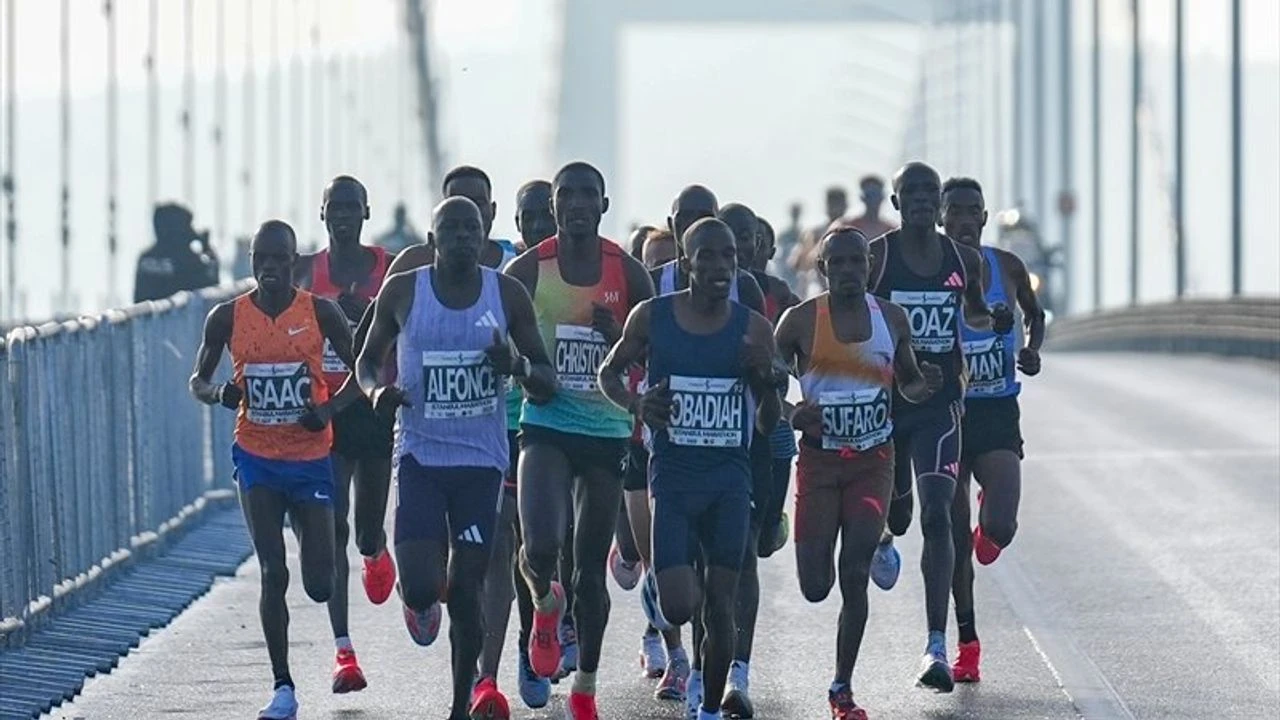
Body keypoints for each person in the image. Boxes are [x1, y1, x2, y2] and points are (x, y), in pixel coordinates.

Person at [355, 196, 555, 720]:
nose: (464, 236)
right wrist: (377, 393)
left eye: (472, 227)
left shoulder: (506, 293)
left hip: (480, 463)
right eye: (452, 228)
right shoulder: (404, 290)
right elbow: (367, 363)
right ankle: (415, 594)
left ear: (485, 232)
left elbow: (545, 376)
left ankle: (461, 704)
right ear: (433, 237)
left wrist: (514, 364)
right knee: (424, 586)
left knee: (466, 591)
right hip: (420, 456)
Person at [599, 217, 781, 720]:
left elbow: (766, 422)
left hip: (729, 479)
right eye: (708, 256)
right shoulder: (652, 317)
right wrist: (637, 406)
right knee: (680, 606)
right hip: (674, 480)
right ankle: (675, 623)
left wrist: (765, 382)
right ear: (686, 262)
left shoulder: (754, 328)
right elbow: (608, 373)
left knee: (721, 605)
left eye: (729, 256)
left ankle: (707, 708)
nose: (721, 266)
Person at [188, 220, 359, 720]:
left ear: (293, 263)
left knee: (320, 582)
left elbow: (362, 373)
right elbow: (197, 379)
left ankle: (312, 539)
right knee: (271, 570)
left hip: (309, 459)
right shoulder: (226, 318)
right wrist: (219, 393)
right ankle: (283, 688)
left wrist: (327, 411)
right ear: (251, 262)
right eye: (260, 258)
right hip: (257, 456)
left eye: (278, 258)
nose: (268, 267)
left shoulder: (320, 312)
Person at [503, 161, 656, 720]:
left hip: (607, 430)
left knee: (590, 569)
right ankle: (545, 604)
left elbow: (656, 349)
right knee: (540, 548)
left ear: (603, 204)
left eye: (588, 195)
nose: (577, 205)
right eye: (567, 195)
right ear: (554, 205)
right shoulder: (527, 270)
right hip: (546, 423)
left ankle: (586, 685)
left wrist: (619, 340)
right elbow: (497, 336)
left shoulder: (630, 274)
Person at [776, 226, 942, 719]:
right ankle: (880, 539)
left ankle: (841, 689)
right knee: (815, 585)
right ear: (822, 269)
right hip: (820, 464)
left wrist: (923, 387)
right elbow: (764, 384)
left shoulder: (891, 318)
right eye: (838, 263)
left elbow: (908, 385)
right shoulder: (800, 322)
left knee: (854, 575)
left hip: (874, 462)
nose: (849, 271)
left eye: (857, 262)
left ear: (869, 268)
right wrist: (791, 414)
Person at [867, 162, 1013, 692]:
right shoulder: (878, 258)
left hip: (941, 406)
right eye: (915, 192)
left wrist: (993, 321)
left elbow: (971, 313)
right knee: (901, 516)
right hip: (887, 405)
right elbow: (856, 316)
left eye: (932, 190)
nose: (925, 199)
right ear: (898, 200)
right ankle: (883, 531)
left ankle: (935, 645)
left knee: (936, 516)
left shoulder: (962, 259)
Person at [292, 175, 396, 695]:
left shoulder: (387, 268)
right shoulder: (306, 272)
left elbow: (404, 323)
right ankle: (344, 650)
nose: (344, 216)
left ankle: (377, 554)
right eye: (336, 207)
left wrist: (366, 327)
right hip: (323, 412)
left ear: (366, 212)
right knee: (332, 526)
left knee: (366, 530)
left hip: (371, 407)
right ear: (323, 212)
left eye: (353, 207)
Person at [941, 177, 1045, 684]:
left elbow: (1035, 312)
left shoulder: (1006, 266)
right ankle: (967, 643)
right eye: (954, 211)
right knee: (955, 542)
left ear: (984, 218)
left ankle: (988, 528)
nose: (963, 219)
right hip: (947, 415)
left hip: (998, 410)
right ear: (941, 218)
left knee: (1000, 528)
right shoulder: (930, 273)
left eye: (972, 212)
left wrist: (1032, 351)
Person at [476, 177, 562, 713]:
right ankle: (488, 677)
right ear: (515, 223)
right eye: (527, 218)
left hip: (558, 426)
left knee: (540, 553)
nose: (535, 228)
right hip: (500, 426)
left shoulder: (580, 275)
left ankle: (540, 634)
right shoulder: (506, 280)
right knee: (498, 552)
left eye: (543, 217)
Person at [619, 225, 690, 702]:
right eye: (651, 263)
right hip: (637, 448)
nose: (660, 270)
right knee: (653, 562)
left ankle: (684, 662)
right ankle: (670, 645)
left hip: (688, 455)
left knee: (680, 562)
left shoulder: (696, 317)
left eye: (668, 261)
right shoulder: (632, 315)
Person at [748, 216, 802, 559]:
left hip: (775, 421)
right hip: (727, 428)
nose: (745, 248)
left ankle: (771, 524)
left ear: (768, 250)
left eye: (755, 241)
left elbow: (806, 354)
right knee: (742, 539)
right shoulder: (710, 291)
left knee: (763, 541)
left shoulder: (779, 294)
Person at [134, 202, 220, 302]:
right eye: (188, 225)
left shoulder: (146, 257)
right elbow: (209, 286)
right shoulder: (186, 260)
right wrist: (207, 250)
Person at [846, 175, 897, 242]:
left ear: (882, 197)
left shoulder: (891, 230)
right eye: (869, 195)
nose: (873, 200)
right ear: (862, 198)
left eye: (876, 194)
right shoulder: (848, 228)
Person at [772, 203, 803, 287]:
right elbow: (778, 258)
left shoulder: (803, 233)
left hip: (798, 277)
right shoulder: (784, 235)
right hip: (784, 274)